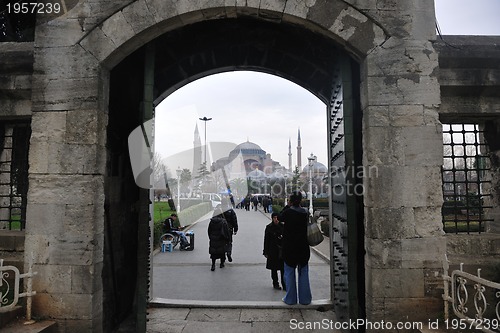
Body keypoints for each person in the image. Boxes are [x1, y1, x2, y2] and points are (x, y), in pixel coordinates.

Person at [280, 191, 312, 305]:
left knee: (289, 273)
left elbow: (279, 217)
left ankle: (290, 299)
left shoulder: (287, 212)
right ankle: (305, 299)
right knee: (303, 273)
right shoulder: (306, 212)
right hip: (303, 246)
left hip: (289, 247)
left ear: (291, 200)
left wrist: (287, 206)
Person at [263, 212, 285, 290]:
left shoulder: (283, 227)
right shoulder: (269, 227)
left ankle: (284, 284)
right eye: (274, 218)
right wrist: (265, 251)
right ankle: (275, 283)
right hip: (272, 250)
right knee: (274, 269)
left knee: (283, 269)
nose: (276, 219)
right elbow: (266, 240)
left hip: (282, 251)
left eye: (277, 218)